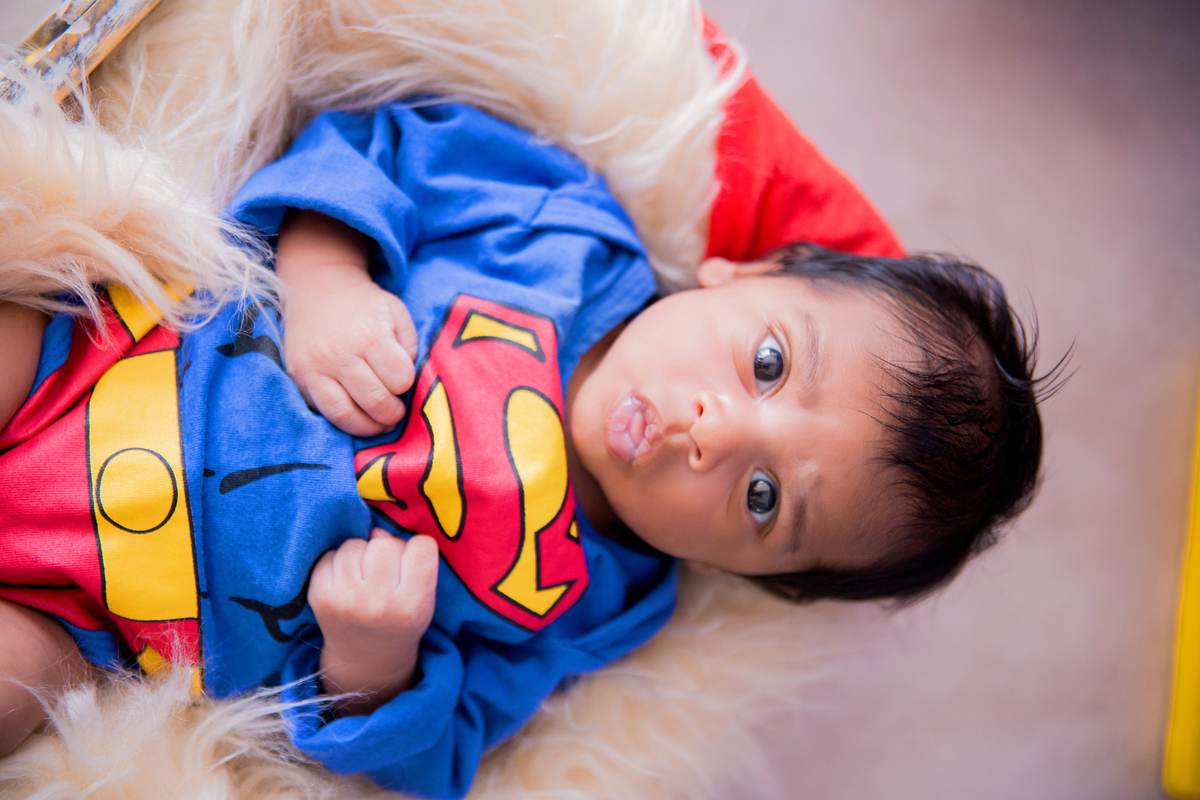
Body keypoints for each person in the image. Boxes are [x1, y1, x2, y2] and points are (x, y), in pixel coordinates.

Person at [0, 100, 1046, 798]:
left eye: (765, 498)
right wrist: (326, 278)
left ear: (746, 569)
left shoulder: (603, 608)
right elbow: (371, 149)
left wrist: (372, 660)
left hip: (107, 617)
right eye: (767, 363)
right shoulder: (562, 230)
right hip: (98, 366)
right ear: (744, 273)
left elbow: (434, 754)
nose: (715, 431)